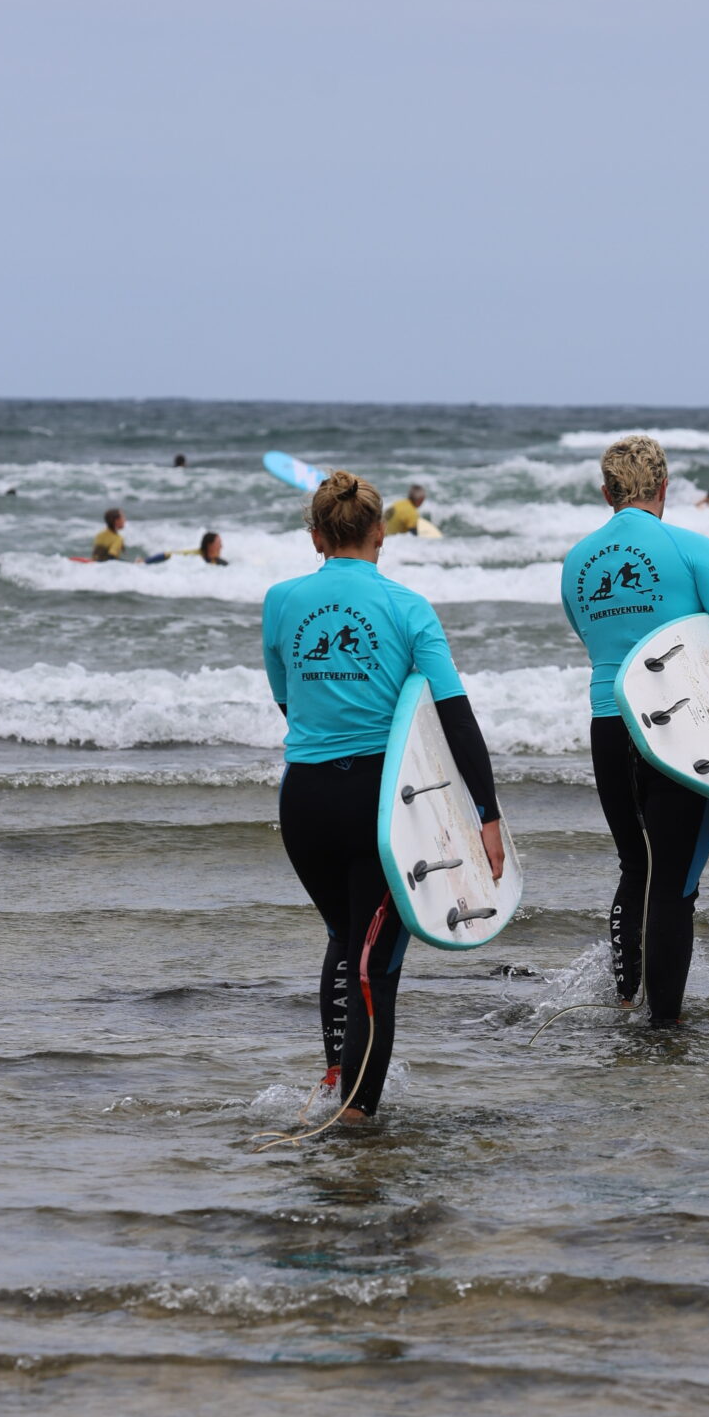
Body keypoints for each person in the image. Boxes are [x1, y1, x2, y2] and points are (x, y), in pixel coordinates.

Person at [262, 471, 504, 1122]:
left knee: (345, 938)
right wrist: (486, 814)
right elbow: (454, 716)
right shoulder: (407, 607)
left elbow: (286, 699)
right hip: (380, 806)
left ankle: (340, 1082)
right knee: (377, 963)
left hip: (304, 801)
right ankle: (356, 1125)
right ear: (380, 533)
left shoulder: (281, 599)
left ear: (316, 537)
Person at [566, 436, 709, 1023]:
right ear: (664, 489)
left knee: (633, 866)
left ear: (607, 493)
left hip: (608, 728)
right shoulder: (694, 549)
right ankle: (664, 1028)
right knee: (675, 882)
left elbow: (593, 643)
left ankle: (625, 997)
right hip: (681, 734)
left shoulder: (576, 562)